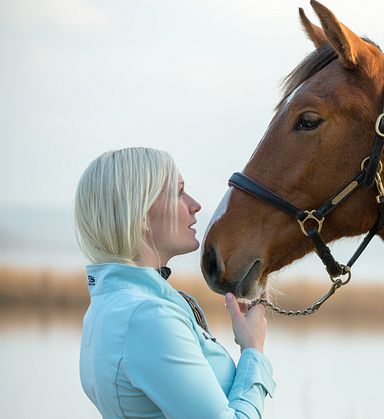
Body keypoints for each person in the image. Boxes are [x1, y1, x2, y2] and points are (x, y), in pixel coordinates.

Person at [74, 147, 275, 418]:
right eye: (179, 192)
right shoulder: (146, 319)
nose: (195, 204)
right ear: (142, 213)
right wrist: (253, 350)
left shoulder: (111, 307)